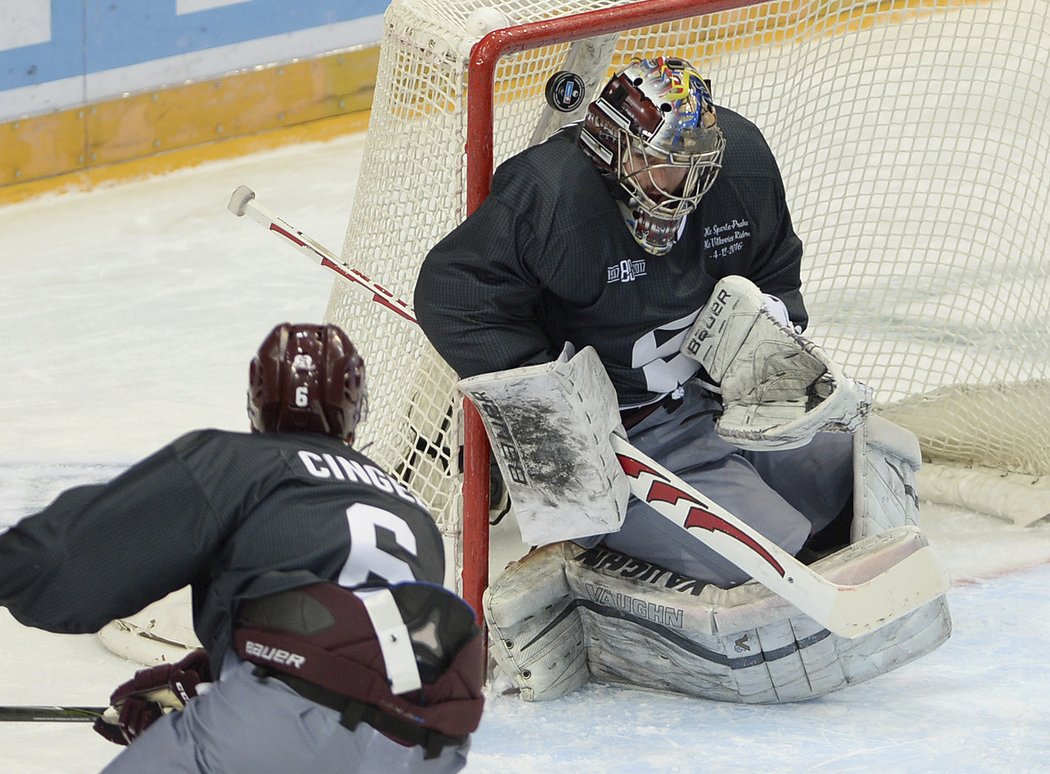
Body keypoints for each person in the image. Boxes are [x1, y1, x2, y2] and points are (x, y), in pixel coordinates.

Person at [414, 56, 855, 588]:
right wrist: (552, 400)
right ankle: (596, 540)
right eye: (665, 164)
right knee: (766, 555)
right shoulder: (552, 193)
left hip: (723, 398)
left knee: (856, 477)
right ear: (613, 148)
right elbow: (454, 292)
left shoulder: (741, 161)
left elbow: (774, 264)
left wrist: (772, 328)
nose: (686, 186)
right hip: (627, 433)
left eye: (697, 164)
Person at [0, 322, 483, 773]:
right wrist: (211, 673)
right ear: (356, 410)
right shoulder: (416, 513)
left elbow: (67, 567)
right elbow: (363, 640)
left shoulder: (236, 463)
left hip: (282, 724)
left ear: (256, 400)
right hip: (418, 745)